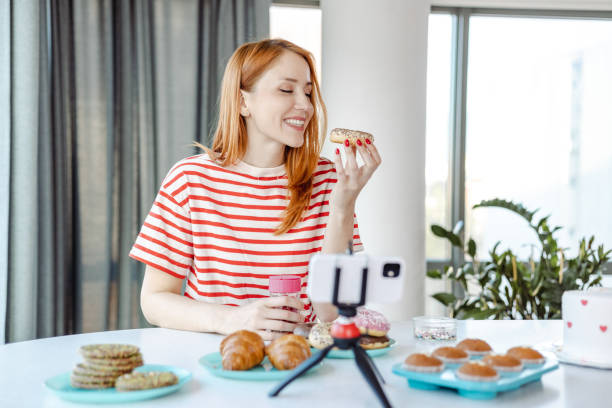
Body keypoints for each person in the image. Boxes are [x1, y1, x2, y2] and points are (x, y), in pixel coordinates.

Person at [130, 38, 381, 340]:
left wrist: (343, 205)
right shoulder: (190, 180)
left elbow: (331, 313)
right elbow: (154, 301)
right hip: (217, 362)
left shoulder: (329, 179)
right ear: (242, 102)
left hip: (304, 360)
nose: (305, 105)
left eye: (308, 93)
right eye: (286, 90)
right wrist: (232, 318)